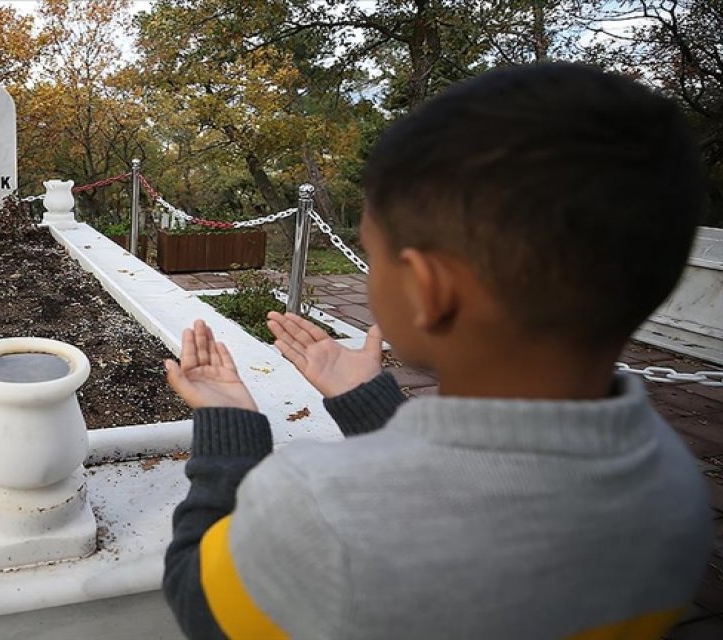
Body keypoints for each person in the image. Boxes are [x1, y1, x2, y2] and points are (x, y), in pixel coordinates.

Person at [161, 63, 714, 640]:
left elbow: (200, 597)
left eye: (373, 254)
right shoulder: (675, 481)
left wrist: (231, 431)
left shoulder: (321, 510)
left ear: (429, 289)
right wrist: (367, 404)